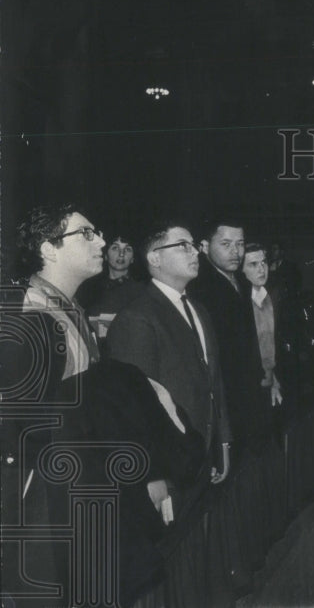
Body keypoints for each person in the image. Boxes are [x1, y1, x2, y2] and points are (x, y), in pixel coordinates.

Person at [3, 205, 203, 606]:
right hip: (48, 509)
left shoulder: (70, 309)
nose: (102, 242)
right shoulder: (28, 315)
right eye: (86, 234)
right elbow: (20, 434)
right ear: (50, 248)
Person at [107, 221, 232, 505]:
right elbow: (133, 407)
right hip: (169, 469)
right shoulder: (137, 317)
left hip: (203, 457)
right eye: (183, 246)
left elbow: (215, 382)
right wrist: (152, 474)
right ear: (154, 258)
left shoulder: (199, 310)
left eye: (194, 245)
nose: (195, 252)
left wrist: (223, 444)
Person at [187, 219, 267, 457]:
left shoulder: (240, 280)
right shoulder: (200, 287)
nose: (236, 252)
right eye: (226, 244)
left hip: (246, 389)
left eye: (240, 244)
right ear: (204, 246)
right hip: (224, 394)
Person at [242, 243, 286, 433]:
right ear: (241, 269)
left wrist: (275, 381)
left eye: (264, 263)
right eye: (253, 264)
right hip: (249, 388)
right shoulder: (240, 305)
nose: (261, 269)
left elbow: (273, 345)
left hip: (271, 383)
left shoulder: (272, 298)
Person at [76, 232, 145, 339]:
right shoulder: (87, 291)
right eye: (115, 248)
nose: (121, 254)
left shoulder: (143, 293)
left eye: (127, 249)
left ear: (133, 258)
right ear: (105, 256)